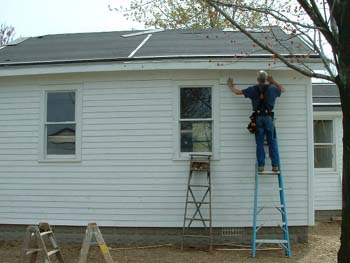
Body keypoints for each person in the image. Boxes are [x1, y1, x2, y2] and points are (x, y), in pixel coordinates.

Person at [227, 70, 285, 173]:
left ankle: (261, 166)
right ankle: (275, 166)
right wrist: (273, 81)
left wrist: (230, 86)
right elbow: (282, 89)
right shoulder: (272, 89)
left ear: (257, 79)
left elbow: (237, 92)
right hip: (268, 118)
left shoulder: (253, 90)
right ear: (266, 79)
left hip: (258, 118)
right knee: (272, 141)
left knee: (259, 143)